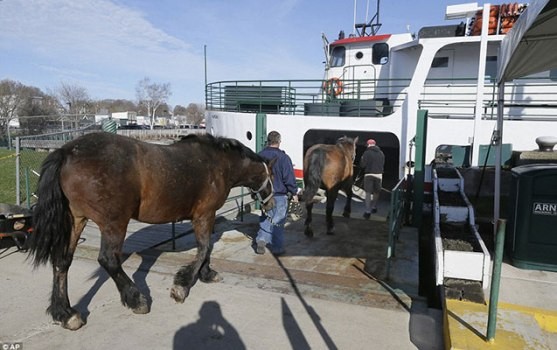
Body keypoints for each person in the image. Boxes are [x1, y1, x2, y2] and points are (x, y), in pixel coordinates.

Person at [255, 131, 298, 256]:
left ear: (268, 141)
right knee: (278, 221)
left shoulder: (259, 156)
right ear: (279, 142)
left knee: (266, 217)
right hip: (279, 194)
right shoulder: (284, 158)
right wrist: (294, 192)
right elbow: (288, 178)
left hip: (264, 195)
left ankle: (262, 239)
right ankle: (277, 248)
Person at [360, 138, 385, 219]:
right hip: (379, 174)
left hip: (369, 174)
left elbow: (362, 165)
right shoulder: (381, 153)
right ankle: (374, 207)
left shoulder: (366, 153)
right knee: (376, 192)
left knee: (368, 193)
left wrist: (361, 160)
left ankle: (367, 211)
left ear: (369, 145)